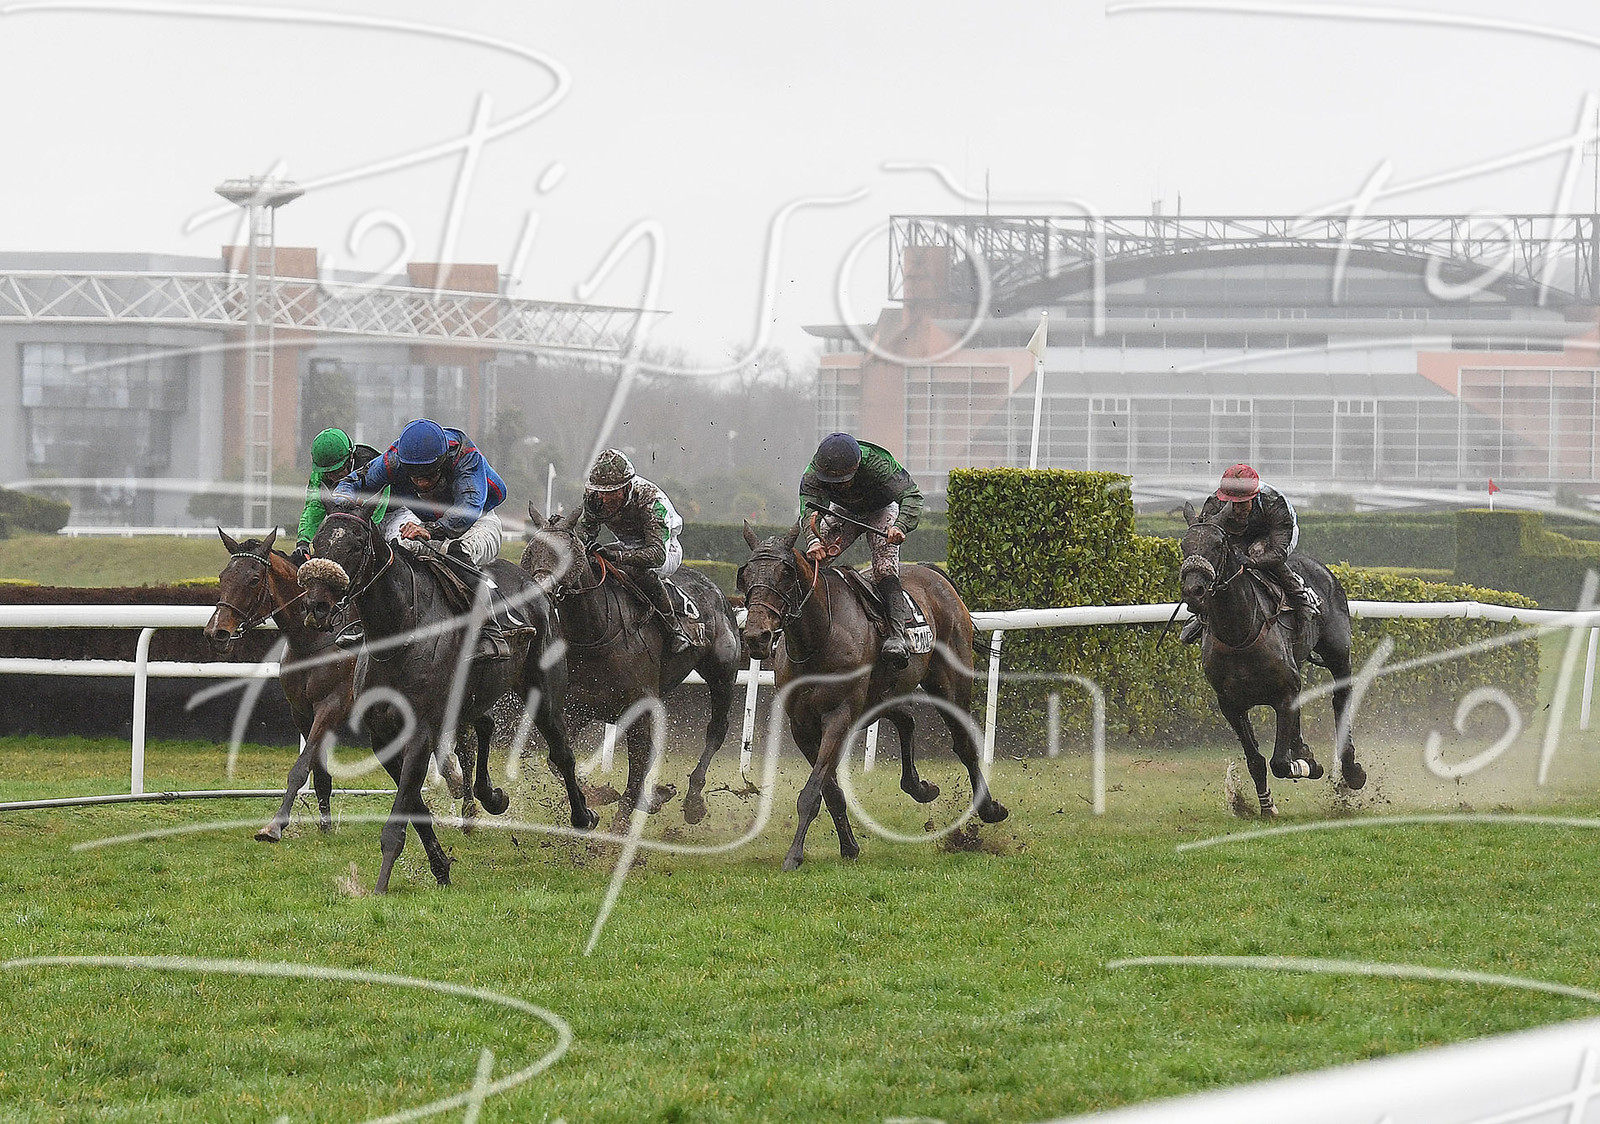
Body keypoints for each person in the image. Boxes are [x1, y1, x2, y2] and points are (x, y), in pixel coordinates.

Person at [798, 432, 924, 670]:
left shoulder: (878, 463)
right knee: (812, 562)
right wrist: (813, 540)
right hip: (842, 511)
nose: (839, 485)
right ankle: (796, 625)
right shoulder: (813, 473)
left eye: (843, 480)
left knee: (884, 568)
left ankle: (897, 635)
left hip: (881, 510)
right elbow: (809, 511)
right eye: (832, 481)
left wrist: (900, 525)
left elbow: (912, 495)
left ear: (857, 467)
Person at [333, 418, 507, 567]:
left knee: (456, 554)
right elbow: (350, 483)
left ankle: (487, 597)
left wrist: (430, 529)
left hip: (478, 523)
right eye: (415, 477)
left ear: (442, 462)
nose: (422, 483)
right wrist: (345, 502)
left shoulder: (465, 456)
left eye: (429, 476)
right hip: (430, 526)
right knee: (397, 552)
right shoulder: (394, 459)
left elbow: (468, 508)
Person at [1182, 463, 1322, 644]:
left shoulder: (1273, 502)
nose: (1236, 509)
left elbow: (1278, 553)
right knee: (1223, 558)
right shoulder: (1214, 504)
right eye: (1232, 503)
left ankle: (1302, 602)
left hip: (1271, 535)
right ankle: (1203, 615)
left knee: (1258, 551)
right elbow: (1207, 538)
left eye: (1242, 503)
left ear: (1254, 496)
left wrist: (1252, 562)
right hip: (1238, 535)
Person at [574, 449, 693, 656]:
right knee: (591, 562)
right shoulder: (594, 495)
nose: (604, 498)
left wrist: (617, 556)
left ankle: (674, 627)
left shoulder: (652, 501)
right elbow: (586, 531)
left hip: (665, 549)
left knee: (637, 569)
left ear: (627, 486)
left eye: (612, 492)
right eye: (601, 491)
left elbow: (656, 555)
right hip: (626, 544)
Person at [290, 428, 386, 567]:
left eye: (337, 471)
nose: (331, 477)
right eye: (327, 473)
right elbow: (314, 506)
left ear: (350, 457)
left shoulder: (373, 465)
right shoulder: (321, 472)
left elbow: (377, 510)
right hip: (344, 517)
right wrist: (303, 542)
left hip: (387, 514)